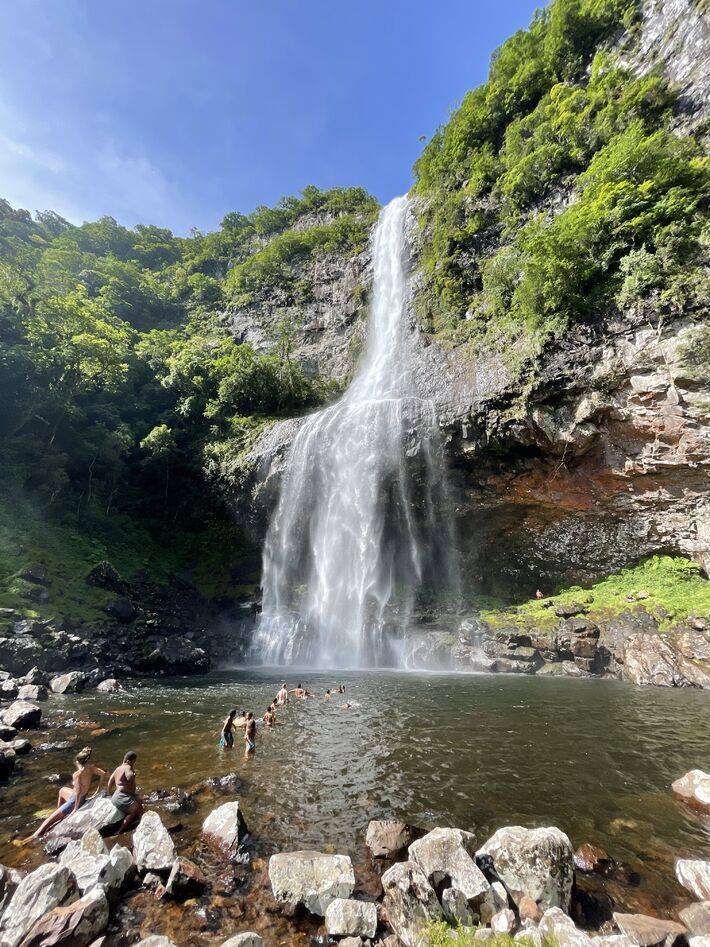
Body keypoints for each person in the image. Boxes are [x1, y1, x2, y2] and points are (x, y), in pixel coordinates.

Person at [21, 747, 106, 842]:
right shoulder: (91, 768)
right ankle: (59, 811)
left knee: (46, 822)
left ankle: (28, 840)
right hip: (80, 798)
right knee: (62, 790)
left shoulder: (77, 774)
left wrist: (75, 809)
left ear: (78, 762)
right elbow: (103, 774)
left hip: (73, 802)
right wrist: (97, 790)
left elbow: (77, 792)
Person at [107, 750, 143, 832]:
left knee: (141, 800)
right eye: (134, 762)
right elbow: (129, 776)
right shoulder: (128, 767)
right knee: (134, 810)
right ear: (128, 761)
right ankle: (120, 831)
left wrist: (109, 793)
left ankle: (142, 821)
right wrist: (133, 774)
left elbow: (110, 781)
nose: (134, 764)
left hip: (120, 795)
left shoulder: (118, 769)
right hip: (122, 796)